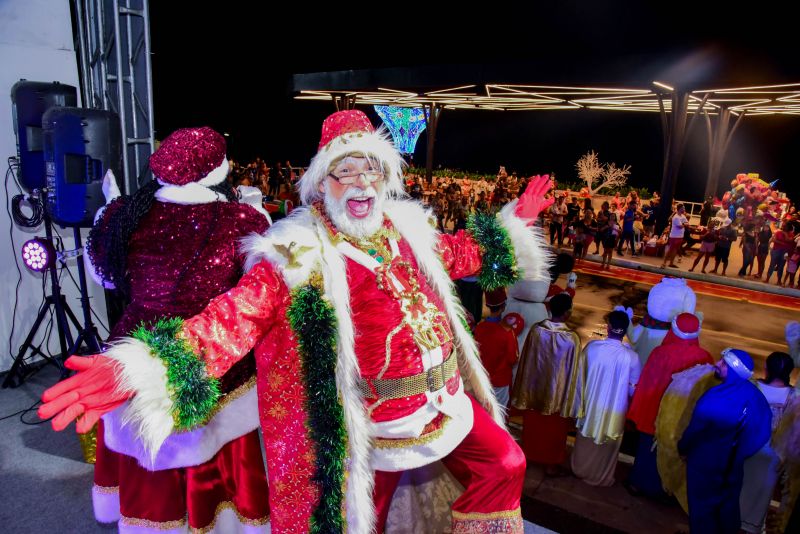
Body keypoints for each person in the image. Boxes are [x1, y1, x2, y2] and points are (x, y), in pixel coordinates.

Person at [40, 110, 555, 533]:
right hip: (373, 424)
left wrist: (517, 223)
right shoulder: (298, 247)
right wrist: (147, 366)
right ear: (323, 184)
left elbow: (459, 253)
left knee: (505, 462)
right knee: (358, 521)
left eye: (369, 169)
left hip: (445, 402)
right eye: (345, 172)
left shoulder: (406, 229)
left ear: (385, 176)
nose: (360, 183)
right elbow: (236, 314)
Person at [80, 127, 272, 531]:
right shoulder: (243, 219)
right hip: (212, 353)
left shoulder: (123, 215)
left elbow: (107, 279)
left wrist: (109, 213)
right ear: (218, 171)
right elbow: (256, 290)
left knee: (147, 446)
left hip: (137, 347)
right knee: (220, 447)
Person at [678, 349, 771, 534]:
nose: (717, 364)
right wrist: (741, 452)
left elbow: (695, 430)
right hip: (733, 465)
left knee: (702, 510)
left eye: (723, 363)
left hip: (704, 463)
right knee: (726, 510)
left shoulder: (715, 397)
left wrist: (683, 447)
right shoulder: (756, 396)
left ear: (734, 370)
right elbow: (762, 431)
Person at [626, 313, 712, 499]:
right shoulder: (704, 357)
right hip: (681, 417)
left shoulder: (660, 353)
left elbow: (647, 382)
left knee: (646, 450)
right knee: (673, 453)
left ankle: (639, 484)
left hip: (655, 412)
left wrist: (637, 408)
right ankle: (666, 490)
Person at [511, 293, 584, 476]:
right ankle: (551, 464)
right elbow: (575, 372)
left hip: (534, 390)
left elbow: (526, 361)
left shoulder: (537, 330)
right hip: (557, 396)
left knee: (534, 428)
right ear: (568, 313)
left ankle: (528, 457)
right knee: (554, 432)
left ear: (549, 309)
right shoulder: (571, 338)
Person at [571, 310, 641, 486]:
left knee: (585, 438)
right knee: (608, 441)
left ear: (608, 327)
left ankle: (579, 468)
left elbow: (579, 377)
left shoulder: (593, 348)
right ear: (625, 331)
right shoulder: (632, 357)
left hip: (591, 405)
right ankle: (601, 476)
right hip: (615, 410)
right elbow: (634, 389)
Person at [740, 352, 796, 533]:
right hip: (774, 455)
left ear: (766, 369)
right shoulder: (794, 397)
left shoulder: (751, 387)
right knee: (762, 495)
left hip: (747, 448)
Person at [473, 288, 521, 409]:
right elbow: (513, 358)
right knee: (499, 412)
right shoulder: (507, 332)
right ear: (503, 306)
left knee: (483, 410)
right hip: (500, 380)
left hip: (482, 378)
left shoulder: (479, 327)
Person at [661, 203, 690, 269]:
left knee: (675, 250)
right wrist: (684, 224)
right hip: (674, 236)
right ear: (680, 209)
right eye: (683, 208)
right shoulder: (676, 217)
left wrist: (684, 224)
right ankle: (664, 263)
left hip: (680, 236)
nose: (684, 209)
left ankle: (671, 263)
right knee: (670, 250)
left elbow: (687, 223)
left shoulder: (683, 216)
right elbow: (680, 226)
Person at [766, 221, 795, 285]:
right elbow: (774, 240)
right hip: (776, 250)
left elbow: (789, 240)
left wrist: (785, 234)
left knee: (781, 266)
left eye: (785, 226)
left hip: (784, 252)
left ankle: (779, 280)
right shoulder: (778, 232)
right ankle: (767, 279)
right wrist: (784, 244)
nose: (784, 227)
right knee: (772, 264)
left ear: (788, 227)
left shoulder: (791, 234)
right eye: (783, 225)